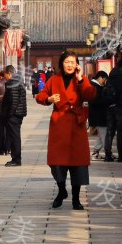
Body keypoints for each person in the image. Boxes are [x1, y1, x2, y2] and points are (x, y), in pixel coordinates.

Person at [36, 50, 97, 209]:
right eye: (67, 62)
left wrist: (81, 79)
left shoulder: (81, 79)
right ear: (61, 64)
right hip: (59, 124)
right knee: (56, 162)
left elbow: (90, 95)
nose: (70, 65)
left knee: (78, 163)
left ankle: (76, 199)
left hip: (77, 125)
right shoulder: (54, 79)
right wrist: (48, 99)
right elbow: (40, 96)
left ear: (77, 64)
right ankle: (61, 190)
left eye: (73, 62)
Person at [103, 57, 122, 162]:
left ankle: (108, 155)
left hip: (110, 106)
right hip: (121, 106)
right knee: (121, 132)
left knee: (110, 131)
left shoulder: (111, 76)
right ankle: (121, 155)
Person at [1, 64, 27, 167]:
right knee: (14, 136)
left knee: (14, 137)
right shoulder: (19, 80)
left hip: (14, 114)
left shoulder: (13, 82)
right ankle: (15, 158)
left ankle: (16, 159)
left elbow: (13, 100)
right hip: (18, 113)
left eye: (5, 75)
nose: (4, 77)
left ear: (9, 73)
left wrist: (9, 114)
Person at [88, 70, 109, 159]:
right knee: (104, 134)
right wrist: (106, 100)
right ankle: (108, 153)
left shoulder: (95, 86)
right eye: (104, 80)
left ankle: (95, 152)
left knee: (101, 134)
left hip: (97, 114)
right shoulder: (94, 86)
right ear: (100, 78)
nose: (104, 82)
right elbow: (95, 101)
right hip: (98, 115)